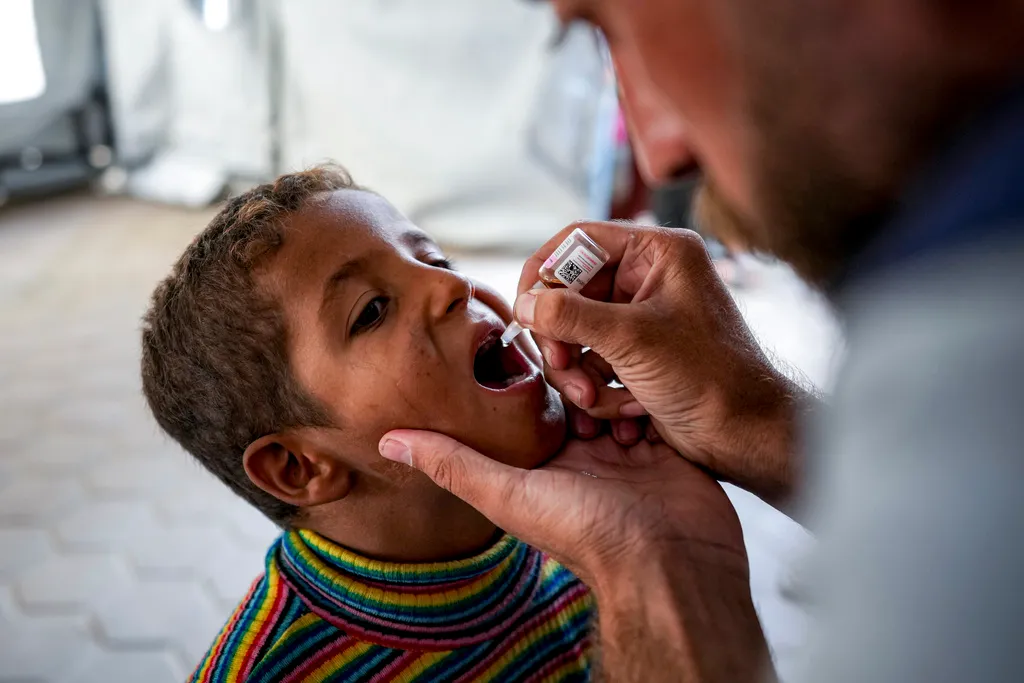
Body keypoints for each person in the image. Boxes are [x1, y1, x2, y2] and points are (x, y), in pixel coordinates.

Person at [377, 1, 1024, 682]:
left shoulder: (970, 364)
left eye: (614, 27)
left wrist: (650, 567)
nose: (661, 156)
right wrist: (753, 418)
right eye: (369, 310)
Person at [140, 166, 601, 682]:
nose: (452, 285)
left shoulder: (592, 517)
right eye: (373, 310)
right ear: (298, 467)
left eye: (434, 259)